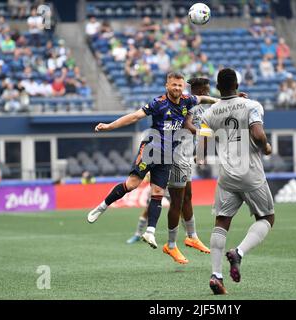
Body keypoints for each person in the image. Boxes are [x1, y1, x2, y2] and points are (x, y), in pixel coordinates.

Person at [87, 72, 218, 249]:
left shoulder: (188, 101)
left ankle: (150, 232)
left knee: (157, 193)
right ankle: (102, 207)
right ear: (167, 86)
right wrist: (109, 126)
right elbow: (134, 116)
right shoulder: (158, 103)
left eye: (180, 85)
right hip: (150, 149)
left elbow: (203, 98)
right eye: (174, 85)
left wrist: (225, 100)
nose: (177, 88)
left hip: (167, 156)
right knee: (132, 184)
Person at [199, 68, 274, 295]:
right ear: (237, 85)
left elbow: (201, 146)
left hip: (227, 175)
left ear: (218, 88)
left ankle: (216, 275)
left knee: (221, 222)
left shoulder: (209, 113)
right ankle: (238, 252)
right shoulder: (252, 105)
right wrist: (267, 147)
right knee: (267, 217)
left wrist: (200, 156)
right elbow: (259, 135)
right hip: (250, 173)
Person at [162, 78, 212, 264]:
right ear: (197, 90)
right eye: (205, 90)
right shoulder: (189, 103)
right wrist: (201, 133)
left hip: (184, 156)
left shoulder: (202, 108)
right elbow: (186, 125)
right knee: (177, 201)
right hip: (175, 156)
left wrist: (200, 153)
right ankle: (171, 245)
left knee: (187, 197)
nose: (208, 92)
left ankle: (192, 236)